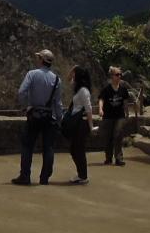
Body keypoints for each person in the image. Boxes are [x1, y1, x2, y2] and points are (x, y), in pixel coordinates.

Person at [12, 49, 63, 186]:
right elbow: (58, 103)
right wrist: (59, 119)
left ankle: (25, 176)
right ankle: (44, 178)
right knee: (48, 148)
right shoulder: (57, 79)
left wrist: (26, 106)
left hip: (34, 114)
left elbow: (21, 92)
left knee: (27, 146)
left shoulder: (32, 74)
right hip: (49, 117)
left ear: (41, 60)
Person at [66, 64, 95, 185]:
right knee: (74, 149)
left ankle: (83, 176)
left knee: (78, 149)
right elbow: (68, 79)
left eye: (75, 75)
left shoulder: (83, 91)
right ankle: (81, 174)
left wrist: (91, 126)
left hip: (81, 123)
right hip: (77, 122)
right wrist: (74, 68)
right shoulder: (79, 89)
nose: (73, 76)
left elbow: (89, 109)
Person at [98, 66, 132, 166]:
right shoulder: (106, 89)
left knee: (118, 135)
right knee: (108, 137)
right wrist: (100, 109)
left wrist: (127, 113)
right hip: (108, 116)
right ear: (112, 76)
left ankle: (119, 158)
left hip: (119, 115)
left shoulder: (123, 89)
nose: (119, 76)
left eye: (120, 74)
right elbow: (101, 99)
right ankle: (108, 158)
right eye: (117, 74)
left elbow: (125, 102)